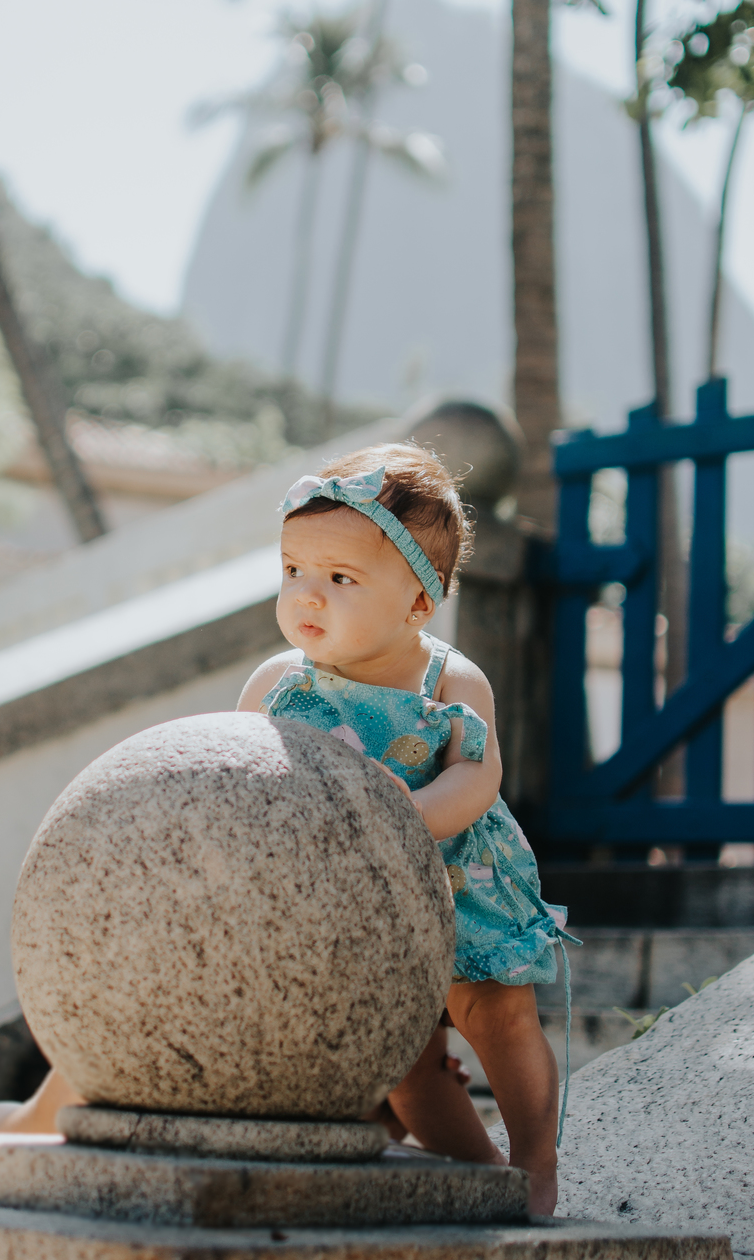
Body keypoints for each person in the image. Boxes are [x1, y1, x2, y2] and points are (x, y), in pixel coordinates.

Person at [234, 443, 577, 1216]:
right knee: (402, 1055)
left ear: (419, 604)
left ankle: (535, 1158)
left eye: (339, 579)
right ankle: (480, 1168)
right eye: (293, 572)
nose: (307, 598)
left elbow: (477, 774)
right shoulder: (276, 685)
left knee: (500, 1015)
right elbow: (241, 781)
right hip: (356, 899)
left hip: (457, 879)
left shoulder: (447, 679)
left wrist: (407, 814)